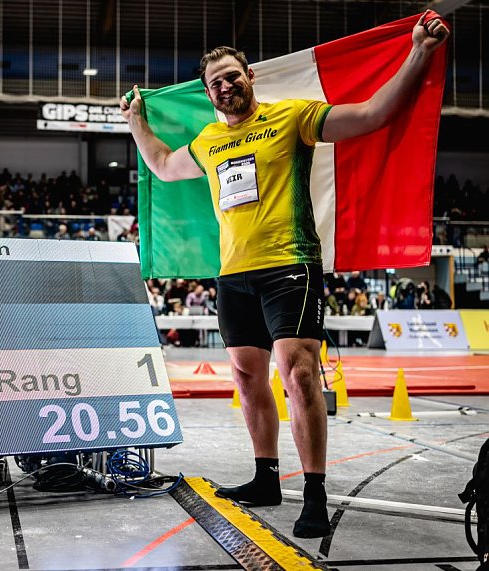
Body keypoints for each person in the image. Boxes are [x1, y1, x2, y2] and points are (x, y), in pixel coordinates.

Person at [119, 13, 449, 538]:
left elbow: (372, 115)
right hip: (233, 275)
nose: (225, 86)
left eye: (232, 75)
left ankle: (315, 491)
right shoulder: (208, 140)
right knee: (247, 377)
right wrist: (136, 118)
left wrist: (419, 53)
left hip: (290, 266)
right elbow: (160, 164)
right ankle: (265, 477)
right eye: (215, 83)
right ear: (209, 93)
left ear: (249, 76)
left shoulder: (292, 116)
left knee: (298, 374)